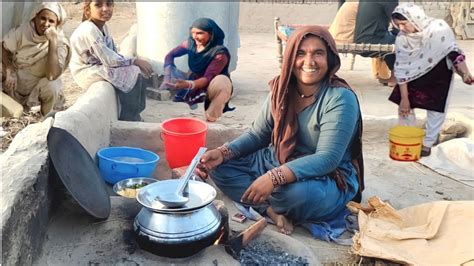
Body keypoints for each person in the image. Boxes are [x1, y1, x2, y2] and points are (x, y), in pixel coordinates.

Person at [196, 26, 364, 235]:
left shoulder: (340, 98)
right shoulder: (281, 89)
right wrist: (223, 152)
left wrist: (273, 178)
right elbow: (258, 135)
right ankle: (271, 211)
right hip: (279, 159)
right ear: (289, 58)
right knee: (219, 166)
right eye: (300, 53)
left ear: (330, 58)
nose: (309, 62)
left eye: (318, 53)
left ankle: (271, 201)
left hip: (327, 176)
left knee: (291, 195)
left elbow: (327, 158)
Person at [388, 3, 473, 157]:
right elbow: (401, 69)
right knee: (404, 108)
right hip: (412, 76)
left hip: (438, 75)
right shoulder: (402, 40)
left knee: (436, 108)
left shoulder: (439, 28)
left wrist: (465, 72)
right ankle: (408, 136)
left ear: (415, 19)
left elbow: (453, 52)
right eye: (397, 25)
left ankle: (428, 143)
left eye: (404, 23)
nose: (401, 28)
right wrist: (405, 99)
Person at [69, 0, 153, 121]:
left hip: (98, 66)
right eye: (98, 5)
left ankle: (136, 113)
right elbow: (108, 59)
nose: (105, 9)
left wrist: (132, 62)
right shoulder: (89, 30)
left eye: (109, 4)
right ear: (88, 10)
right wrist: (134, 61)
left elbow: (112, 53)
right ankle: (129, 117)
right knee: (134, 72)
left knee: (138, 71)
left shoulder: (102, 27)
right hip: (85, 71)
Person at [2, 2, 70, 117]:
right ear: (36, 17)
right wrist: (9, 68)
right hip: (16, 80)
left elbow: (52, 75)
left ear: (57, 24)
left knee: (53, 85)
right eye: (43, 18)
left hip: (36, 87)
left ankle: (45, 117)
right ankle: (11, 108)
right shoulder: (25, 31)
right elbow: (3, 46)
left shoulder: (60, 43)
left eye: (51, 21)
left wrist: (52, 42)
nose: (46, 24)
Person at [161, 18, 234, 122]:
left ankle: (211, 117)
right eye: (193, 33)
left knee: (222, 82)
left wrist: (187, 84)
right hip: (194, 79)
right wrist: (167, 77)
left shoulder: (220, 54)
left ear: (211, 34)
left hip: (211, 83)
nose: (195, 37)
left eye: (200, 33)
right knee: (171, 69)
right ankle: (191, 97)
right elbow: (170, 55)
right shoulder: (190, 44)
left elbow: (208, 78)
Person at [353, 0, 399, 85]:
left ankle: (394, 77)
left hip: (360, 39)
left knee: (392, 38)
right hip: (373, 40)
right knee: (405, 41)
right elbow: (398, 22)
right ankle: (397, 77)